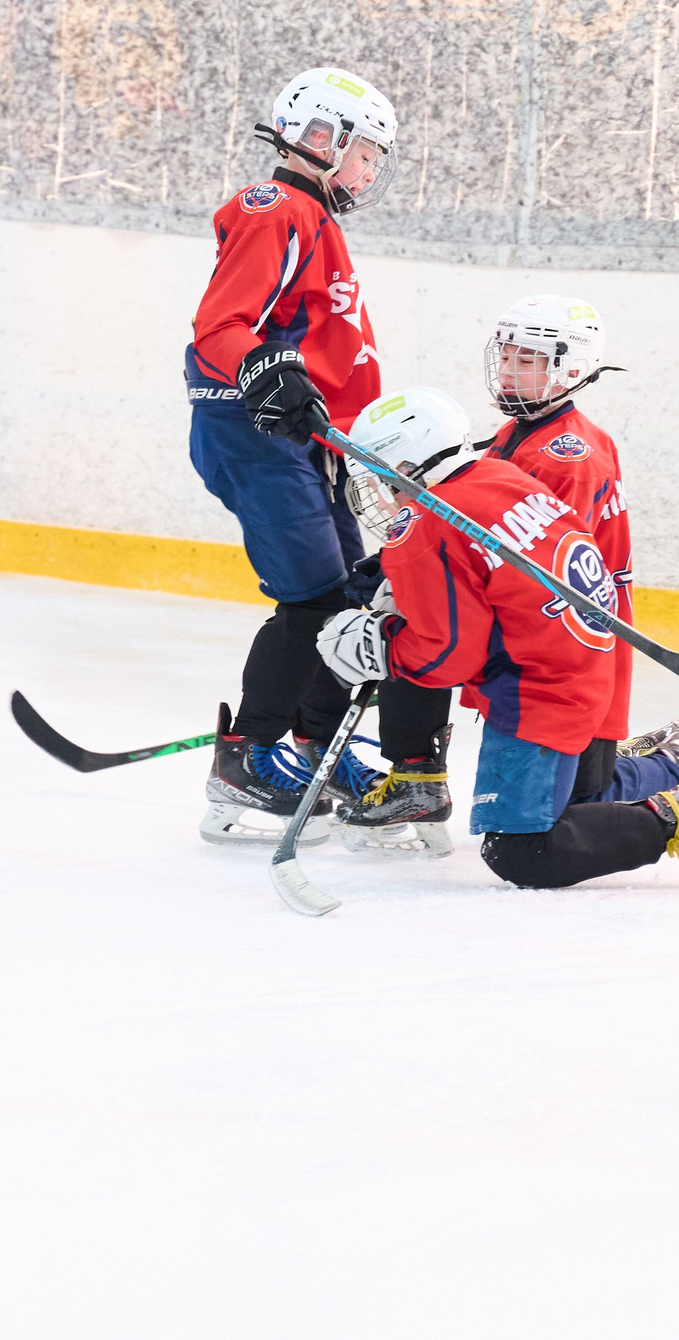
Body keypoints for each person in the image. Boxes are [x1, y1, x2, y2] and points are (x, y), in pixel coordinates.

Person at [316, 386, 679, 889]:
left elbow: (448, 658)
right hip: (584, 669)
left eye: (380, 476)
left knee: (520, 850)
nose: (377, 493)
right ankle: (676, 763)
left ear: (409, 464)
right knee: (581, 801)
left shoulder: (426, 526)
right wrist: (418, 595)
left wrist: (384, 646)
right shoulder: (500, 475)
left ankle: (675, 817)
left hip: (535, 694)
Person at [186, 67, 453, 844]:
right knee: (311, 600)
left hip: (304, 439)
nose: (370, 170)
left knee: (343, 600)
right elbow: (220, 326)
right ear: (319, 138)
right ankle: (247, 756)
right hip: (257, 431)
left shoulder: (317, 220)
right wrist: (266, 369)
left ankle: (313, 750)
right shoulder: (276, 209)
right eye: (364, 152)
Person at [475, 294, 679, 871]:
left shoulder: (568, 455)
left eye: (528, 360)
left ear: (573, 369)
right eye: (507, 355)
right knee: (587, 797)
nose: (510, 370)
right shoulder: (522, 433)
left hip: (574, 647)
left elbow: (535, 569)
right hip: (573, 647)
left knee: (567, 815)